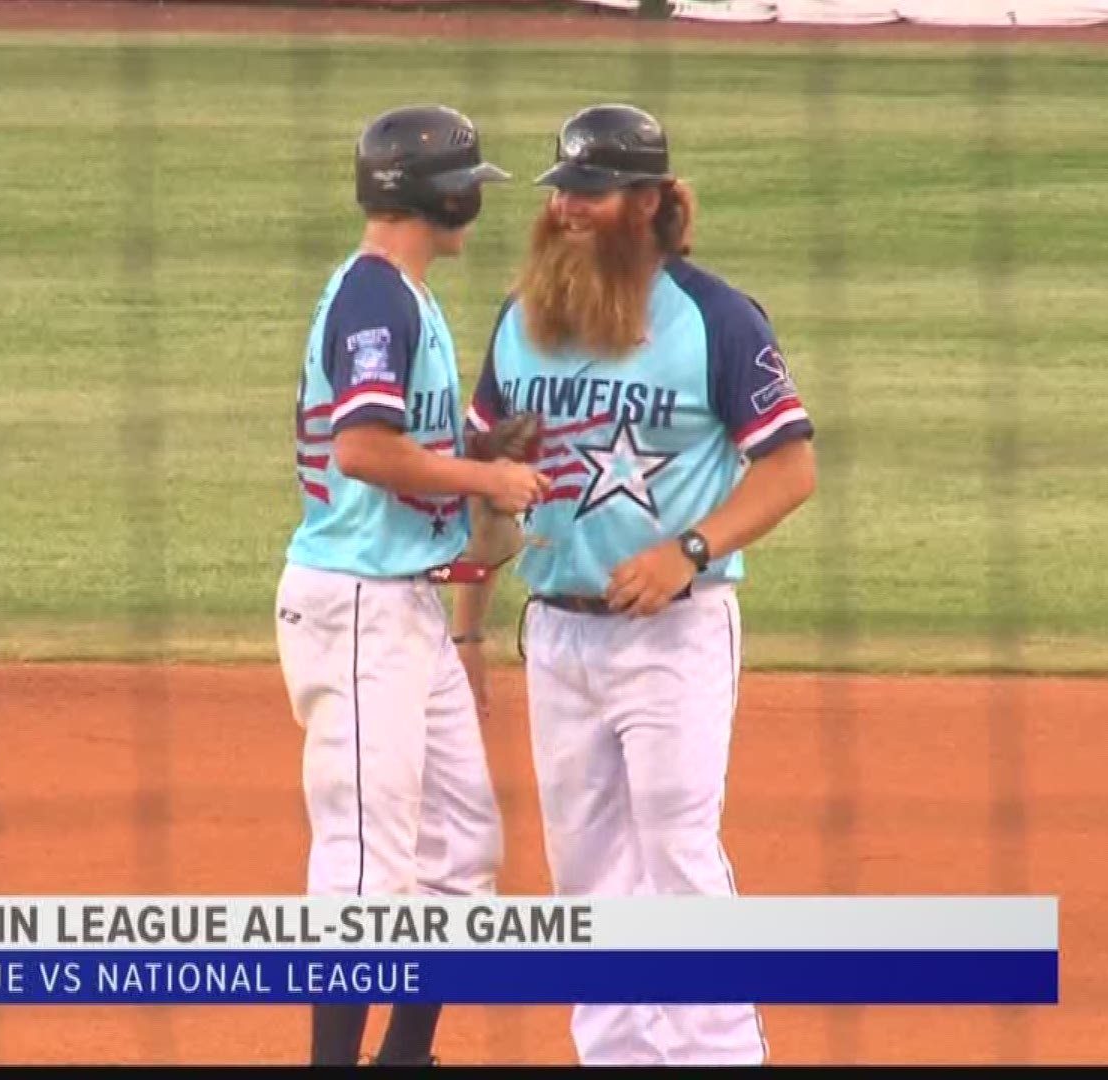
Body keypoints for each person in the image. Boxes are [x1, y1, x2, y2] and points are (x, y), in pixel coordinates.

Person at [454, 103, 817, 1066]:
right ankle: (614, 1054)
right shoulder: (523, 319)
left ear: (650, 200)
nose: (568, 208)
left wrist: (687, 551)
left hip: (676, 633)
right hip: (559, 634)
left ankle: (719, 1054)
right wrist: (465, 626)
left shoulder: (717, 318)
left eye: (591, 190)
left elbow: (791, 468)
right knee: (584, 870)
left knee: (677, 850)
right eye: (562, 191)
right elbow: (487, 472)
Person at [275, 103, 549, 1066]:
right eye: (468, 183)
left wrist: (478, 449)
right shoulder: (374, 296)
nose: (476, 198)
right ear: (430, 196)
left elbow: (400, 441)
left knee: (462, 851)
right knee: (364, 870)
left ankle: (404, 1057)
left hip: (406, 610)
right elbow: (359, 450)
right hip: (353, 608)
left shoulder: (412, 298)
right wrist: (486, 479)